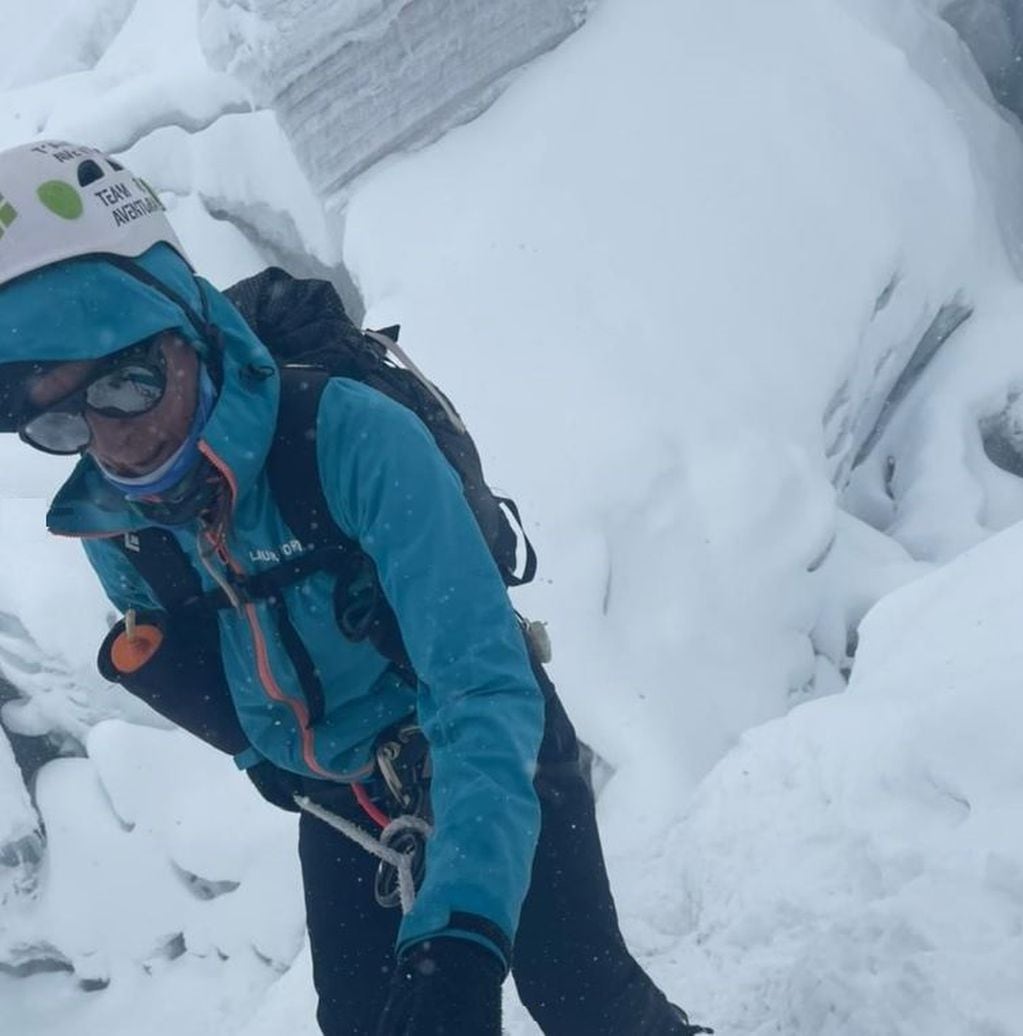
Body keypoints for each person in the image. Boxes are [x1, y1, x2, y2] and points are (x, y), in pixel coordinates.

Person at [0, 140, 711, 1036]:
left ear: (191, 323)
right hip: (344, 809)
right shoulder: (118, 523)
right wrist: (269, 761)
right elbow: (204, 651)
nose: (114, 440)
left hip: (486, 748)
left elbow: (481, 684)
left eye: (130, 380)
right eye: (60, 416)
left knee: (586, 1000)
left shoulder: (352, 440)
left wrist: (458, 938)